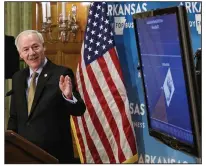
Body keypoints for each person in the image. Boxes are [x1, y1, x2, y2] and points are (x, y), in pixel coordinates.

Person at [7, 30, 86, 163]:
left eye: (35, 47)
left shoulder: (61, 73)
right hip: (23, 155)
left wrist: (68, 96)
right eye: (25, 49)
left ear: (44, 47)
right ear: (20, 54)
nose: (31, 53)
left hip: (53, 155)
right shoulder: (18, 77)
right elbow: (14, 117)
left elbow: (79, 110)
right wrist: (8, 146)